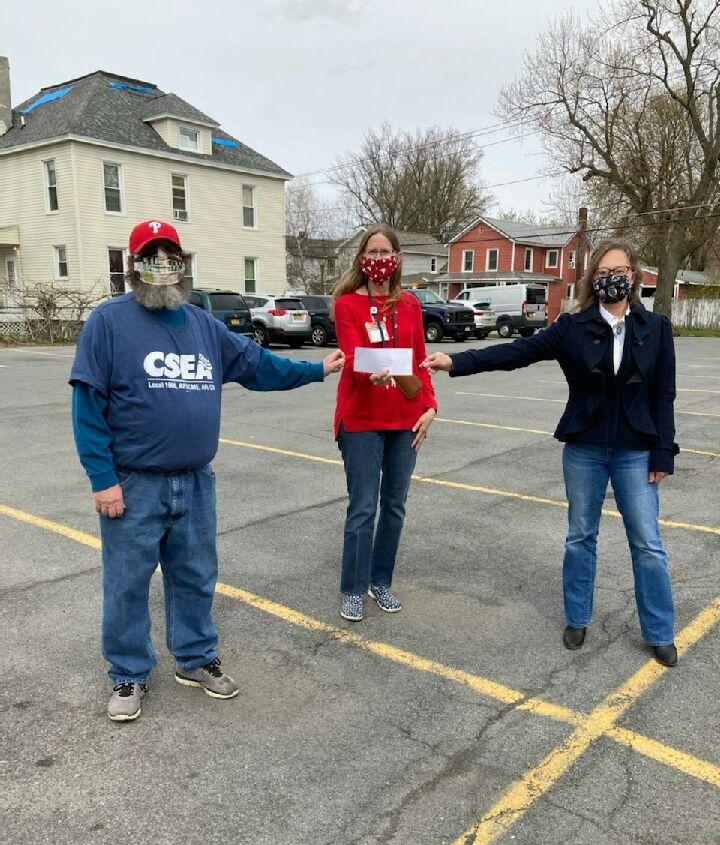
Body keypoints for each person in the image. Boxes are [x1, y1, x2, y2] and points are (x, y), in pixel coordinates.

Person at [70, 219, 344, 721]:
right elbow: (88, 405)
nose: (161, 265)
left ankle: (195, 658)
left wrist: (315, 369)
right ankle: (128, 674)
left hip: (195, 481)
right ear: (134, 266)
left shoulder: (202, 325)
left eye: (169, 255)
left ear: (183, 264)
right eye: (150, 255)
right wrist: (101, 478)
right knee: (128, 581)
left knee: (195, 574)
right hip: (134, 483)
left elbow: (259, 366)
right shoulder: (108, 323)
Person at [423, 239, 679, 667]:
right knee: (581, 537)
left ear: (632, 276)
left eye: (618, 270)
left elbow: (664, 394)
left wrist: (663, 453)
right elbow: (516, 352)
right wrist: (458, 361)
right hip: (585, 448)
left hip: (637, 450)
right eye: (602, 273)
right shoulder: (572, 327)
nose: (611, 278)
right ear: (593, 279)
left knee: (648, 543)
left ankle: (659, 630)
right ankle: (577, 619)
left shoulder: (657, 329)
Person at [333, 224, 437, 622]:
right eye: (371, 253)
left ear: (397, 258)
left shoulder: (409, 304)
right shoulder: (346, 305)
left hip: (404, 419)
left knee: (394, 505)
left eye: (385, 252)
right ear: (362, 259)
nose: (378, 259)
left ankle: (381, 581)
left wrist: (430, 406)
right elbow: (351, 356)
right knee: (363, 507)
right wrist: (369, 373)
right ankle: (354, 588)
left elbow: (420, 360)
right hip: (361, 418)